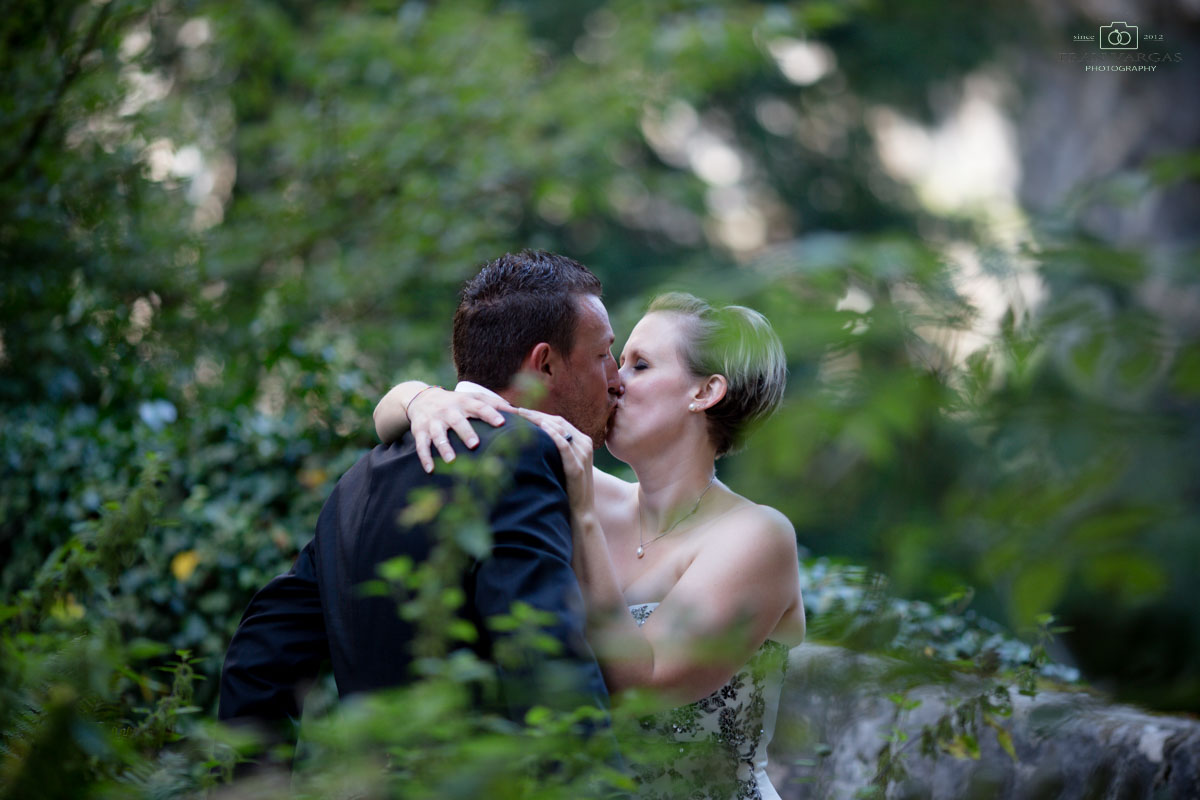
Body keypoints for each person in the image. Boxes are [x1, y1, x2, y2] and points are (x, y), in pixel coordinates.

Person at [374, 292, 806, 799]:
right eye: (617, 361)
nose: (614, 382)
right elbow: (391, 419)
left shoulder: (756, 535)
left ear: (706, 391)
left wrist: (580, 513)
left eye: (640, 365)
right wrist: (421, 399)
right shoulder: (588, 486)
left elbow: (643, 684)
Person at [218, 251, 623, 764]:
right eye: (603, 354)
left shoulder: (356, 482)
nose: (616, 378)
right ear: (544, 363)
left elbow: (259, 656)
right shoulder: (519, 456)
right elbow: (543, 660)